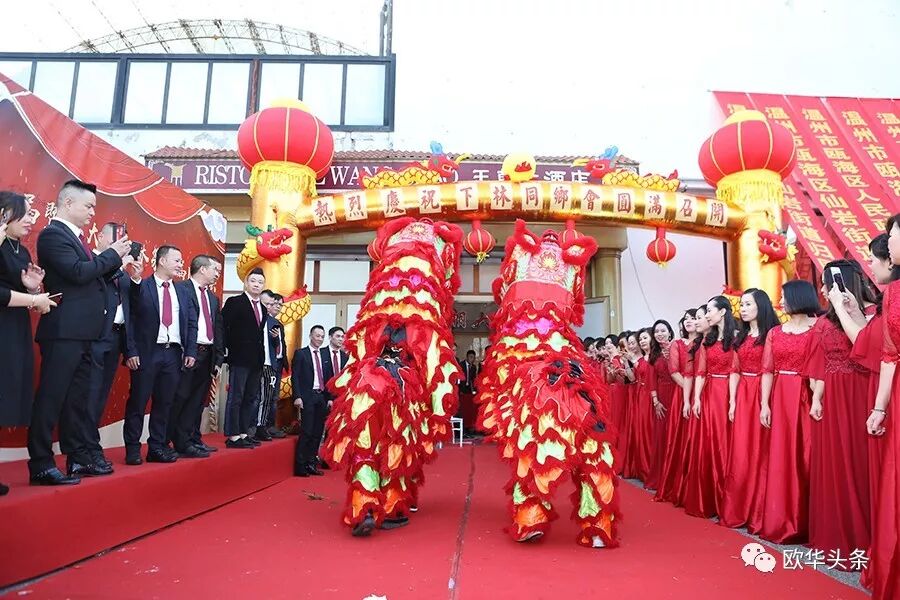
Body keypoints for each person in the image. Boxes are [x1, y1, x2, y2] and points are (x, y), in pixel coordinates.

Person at [29, 180, 131, 485]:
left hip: (86, 333)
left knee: (77, 401)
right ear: (68, 203)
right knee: (51, 398)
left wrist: (116, 263)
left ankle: (77, 458)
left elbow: (91, 278)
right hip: (64, 332)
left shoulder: (77, 239)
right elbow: (77, 273)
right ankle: (41, 463)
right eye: (88, 206)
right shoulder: (52, 235)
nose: (92, 213)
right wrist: (111, 255)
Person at [806, 260, 877, 561]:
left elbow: (869, 347)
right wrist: (817, 398)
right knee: (838, 461)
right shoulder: (823, 323)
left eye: (826, 284)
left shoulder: (873, 314)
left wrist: (849, 309)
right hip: (834, 397)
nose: (823, 291)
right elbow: (821, 363)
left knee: (863, 460)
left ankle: (872, 535)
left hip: (864, 391)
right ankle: (841, 533)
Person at [747, 279, 819, 543]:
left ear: (798, 298)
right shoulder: (776, 333)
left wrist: (818, 397)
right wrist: (765, 404)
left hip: (807, 395)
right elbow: (767, 370)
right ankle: (782, 517)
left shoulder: (818, 328)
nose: (780, 301)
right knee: (781, 455)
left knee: (807, 454)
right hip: (781, 396)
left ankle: (810, 520)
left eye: (784, 296)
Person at [123, 245, 198, 465]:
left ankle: (156, 447)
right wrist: (131, 351)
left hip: (173, 353)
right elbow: (131, 320)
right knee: (138, 402)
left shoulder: (182, 291)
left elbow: (191, 322)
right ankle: (133, 449)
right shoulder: (142, 286)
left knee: (165, 403)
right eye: (177, 260)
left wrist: (190, 350)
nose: (181, 264)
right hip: (147, 353)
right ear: (162, 261)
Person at [719, 289, 778, 529]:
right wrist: (732, 401)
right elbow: (734, 370)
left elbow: (769, 370)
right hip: (743, 394)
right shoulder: (740, 337)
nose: (742, 309)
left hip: (764, 392)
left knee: (761, 448)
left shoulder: (772, 334)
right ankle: (740, 506)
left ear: (760, 306)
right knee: (742, 449)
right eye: (741, 305)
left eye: (747, 304)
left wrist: (765, 403)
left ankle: (761, 508)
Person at [83, 223, 140, 471]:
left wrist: (135, 279)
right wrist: (118, 265)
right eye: (116, 239)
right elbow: (94, 285)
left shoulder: (123, 271)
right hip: (95, 337)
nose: (121, 244)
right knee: (90, 395)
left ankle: (90, 447)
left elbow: (132, 308)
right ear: (100, 237)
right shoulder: (91, 262)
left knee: (101, 396)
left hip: (116, 338)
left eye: (124, 240)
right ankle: (87, 449)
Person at [866, 214, 900, 599]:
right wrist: (880, 408)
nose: (888, 242)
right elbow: (890, 354)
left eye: (893, 235)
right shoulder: (893, 294)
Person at [683, 296, 736, 519]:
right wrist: (696, 398)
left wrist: (733, 400)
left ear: (722, 312)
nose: (706, 315)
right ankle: (712, 497)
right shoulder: (708, 341)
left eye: (709, 311)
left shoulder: (736, 337)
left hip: (731, 392)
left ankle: (729, 499)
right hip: (710, 393)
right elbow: (701, 372)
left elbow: (736, 369)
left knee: (728, 442)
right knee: (711, 442)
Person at [169, 255, 224, 458]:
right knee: (181, 398)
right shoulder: (180, 289)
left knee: (197, 401)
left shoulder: (212, 298)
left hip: (207, 354)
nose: (217, 274)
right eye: (215, 270)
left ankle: (191, 438)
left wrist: (218, 358)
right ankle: (175, 441)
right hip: (187, 353)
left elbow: (218, 329)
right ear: (202, 269)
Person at [0, 192, 43, 430]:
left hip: (16, 328)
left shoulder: (23, 251)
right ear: (5, 214)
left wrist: (32, 287)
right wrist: (34, 298)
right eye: (24, 214)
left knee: (11, 390)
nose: (30, 220)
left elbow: (17, 292)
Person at [654, 309, 698, 504]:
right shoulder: (677, 344)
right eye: (686, 318)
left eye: (693, 318)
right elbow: (674, 371)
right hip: (682, 395)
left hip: (703, 394)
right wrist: (691, 391)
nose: (689, 321)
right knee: (680, 439)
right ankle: (679, 486)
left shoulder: (704, 342)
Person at [221, 268, 267, 449]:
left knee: (250, 397)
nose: (256, 285)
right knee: (236, 397)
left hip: (256, 360)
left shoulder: (263, 308)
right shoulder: (235, 302)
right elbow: (223, 327)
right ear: (246, 283)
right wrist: (227, 351)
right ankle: (233, 435)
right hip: (239, 357)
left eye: (260, 282)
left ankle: (243, 432)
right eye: (253, 281)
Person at [292, 324, 328, 476]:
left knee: (317, 433)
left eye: (322, 336)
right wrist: (297, 396)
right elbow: (295, 376)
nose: (320, 339)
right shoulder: (301, 353)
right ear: (310, 336)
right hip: (307, 396)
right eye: (317, 336)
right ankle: (300, 466)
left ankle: (311, 463)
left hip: (321, 396)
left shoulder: (324, 355)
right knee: (306, 431)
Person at [645, 320, 674, 491]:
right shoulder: (654, 354)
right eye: (656, 332)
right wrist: (656, 402)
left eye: (663, 330)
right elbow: (651, 380)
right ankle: (660, 477)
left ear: (670, 332)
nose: (660, 334)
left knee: (675, 436)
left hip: (677, 394)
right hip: (661, 397)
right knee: (661, 437)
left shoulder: (678, 348)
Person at [255, 290, 286, 442]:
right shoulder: (261, 320)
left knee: (272, 397)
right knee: (261, 397)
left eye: (280, 305)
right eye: (274, 304)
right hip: (262, 363)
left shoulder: (277, 323)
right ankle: (257, 426)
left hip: (276, 364)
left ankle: (268, 425)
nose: (277, 307)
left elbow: (278, 344)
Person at [458, 349, 480, 433]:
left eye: (473, 358)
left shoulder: (473, 367)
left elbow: (473, 380)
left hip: (468, 390)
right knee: (462, 408)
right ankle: (463, 428)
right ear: (467, 357)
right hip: (461, 389)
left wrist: (474, 390)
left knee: (469, 407)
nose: (472, 359)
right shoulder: (461, 365)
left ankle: (469, 427)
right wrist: (460, 390)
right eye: (470, 357)